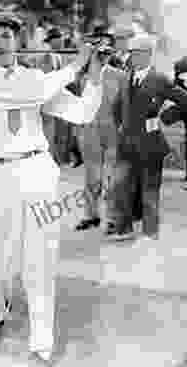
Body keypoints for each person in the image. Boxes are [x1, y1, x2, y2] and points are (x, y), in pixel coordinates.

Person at [0, 11, 103, 365]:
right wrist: (75, 65)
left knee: (40, 258)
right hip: (0, 176)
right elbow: (32, 93)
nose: (0, 44)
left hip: (39, 171)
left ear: (18, 41)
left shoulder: (35, 77)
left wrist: (93, 74)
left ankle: (41, 342)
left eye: (6, 37)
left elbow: (82, 113)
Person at [109, 34, 187, 241]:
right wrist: (122, 125)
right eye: (131, 53)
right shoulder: (126, 77)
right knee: (120, 186)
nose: (132, 57)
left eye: (137, 53)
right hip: (126, 143)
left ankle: (150, 231)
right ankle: (123, 228)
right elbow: (117, 106)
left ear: (148, 55)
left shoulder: (160, 79)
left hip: (150, 144)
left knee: (149, 190)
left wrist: (167, 117)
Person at [74, 26, 130, 233]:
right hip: (89, 132)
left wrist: (125, 129)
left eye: (107, 52)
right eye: (99, 52)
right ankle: (91, 215)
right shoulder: (81, 77)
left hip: (113, 132)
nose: (103, 56)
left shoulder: (120, 76)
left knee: (112, 177)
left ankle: (113, 218)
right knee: (91, 176)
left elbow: (125, 106)